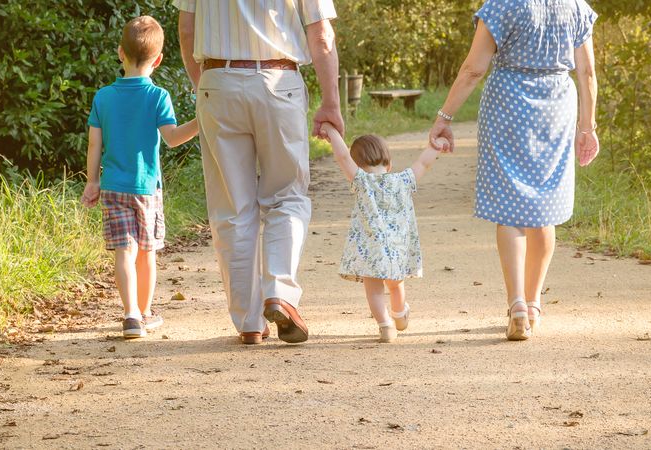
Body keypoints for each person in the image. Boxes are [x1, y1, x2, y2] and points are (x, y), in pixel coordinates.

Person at [428, 0, 599, 340]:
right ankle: (534, 304)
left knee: (510, 205)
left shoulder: (502, 5)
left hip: (508, 103)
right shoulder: (576, 6)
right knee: (544, 205)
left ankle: (517, 303)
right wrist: (587, 126)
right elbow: (587, 72)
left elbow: (473, 69)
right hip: (556, 105)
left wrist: (444, 118)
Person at [176, 1, 344, 345]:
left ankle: (249, 322)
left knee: (231, 208)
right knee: (287, 196)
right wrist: (331, 103)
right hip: (278, 81)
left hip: (217, 80)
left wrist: (205, 86)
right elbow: (321, 35)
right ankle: (280, 293)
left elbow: (186, 29)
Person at [81, 16, 199, 339]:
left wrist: (92, 181)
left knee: (124, 252)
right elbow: (173, 138)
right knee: (147, 254)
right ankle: (145, 313)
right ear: (158, 60)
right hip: (147, 189)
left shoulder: (103, 97)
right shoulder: (158, 97)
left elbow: (95, 143)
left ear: (121, 52)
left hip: (113, 187)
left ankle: (130, 314)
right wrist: (202, 120)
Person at [321, 123, 444, 343]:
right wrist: (436, 146)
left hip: (371, 251)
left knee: (374, 290)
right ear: (388, 165)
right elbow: (423, 163)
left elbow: (341, 156)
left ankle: (385, 325)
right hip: (397, 249)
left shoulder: (360, 180)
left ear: (357, 164)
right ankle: (399, 314)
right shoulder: (403, 180)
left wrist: (332, 132)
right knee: (396, 285)